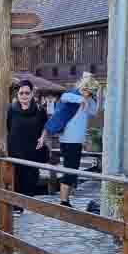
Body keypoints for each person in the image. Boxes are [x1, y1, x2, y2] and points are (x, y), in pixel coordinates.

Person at [37, 74, 101, 208]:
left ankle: (66, 199)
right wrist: (80, 99)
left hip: (77, 141)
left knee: (73, 169)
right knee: (70, 169)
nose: (87, 93)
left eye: (90, 92)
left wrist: (92, 98)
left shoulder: (88, 100)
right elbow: (65, 97)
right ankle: (64, 201)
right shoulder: (73, 96)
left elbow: (94, 111)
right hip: (68, 140)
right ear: (82, 87)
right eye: (86, 90)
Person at [7, 80, 48, 216]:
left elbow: (45, 127)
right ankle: (17, 207)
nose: (24, 95)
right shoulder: (11, 109)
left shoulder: (39, 110)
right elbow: (6, 127)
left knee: (31, 178)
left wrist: (43, 138)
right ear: (17, 94)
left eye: (27, 93)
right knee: (17, 178)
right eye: (21, 93)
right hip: (16, 150)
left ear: (31, 94)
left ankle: (26, 203)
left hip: (32, 150)